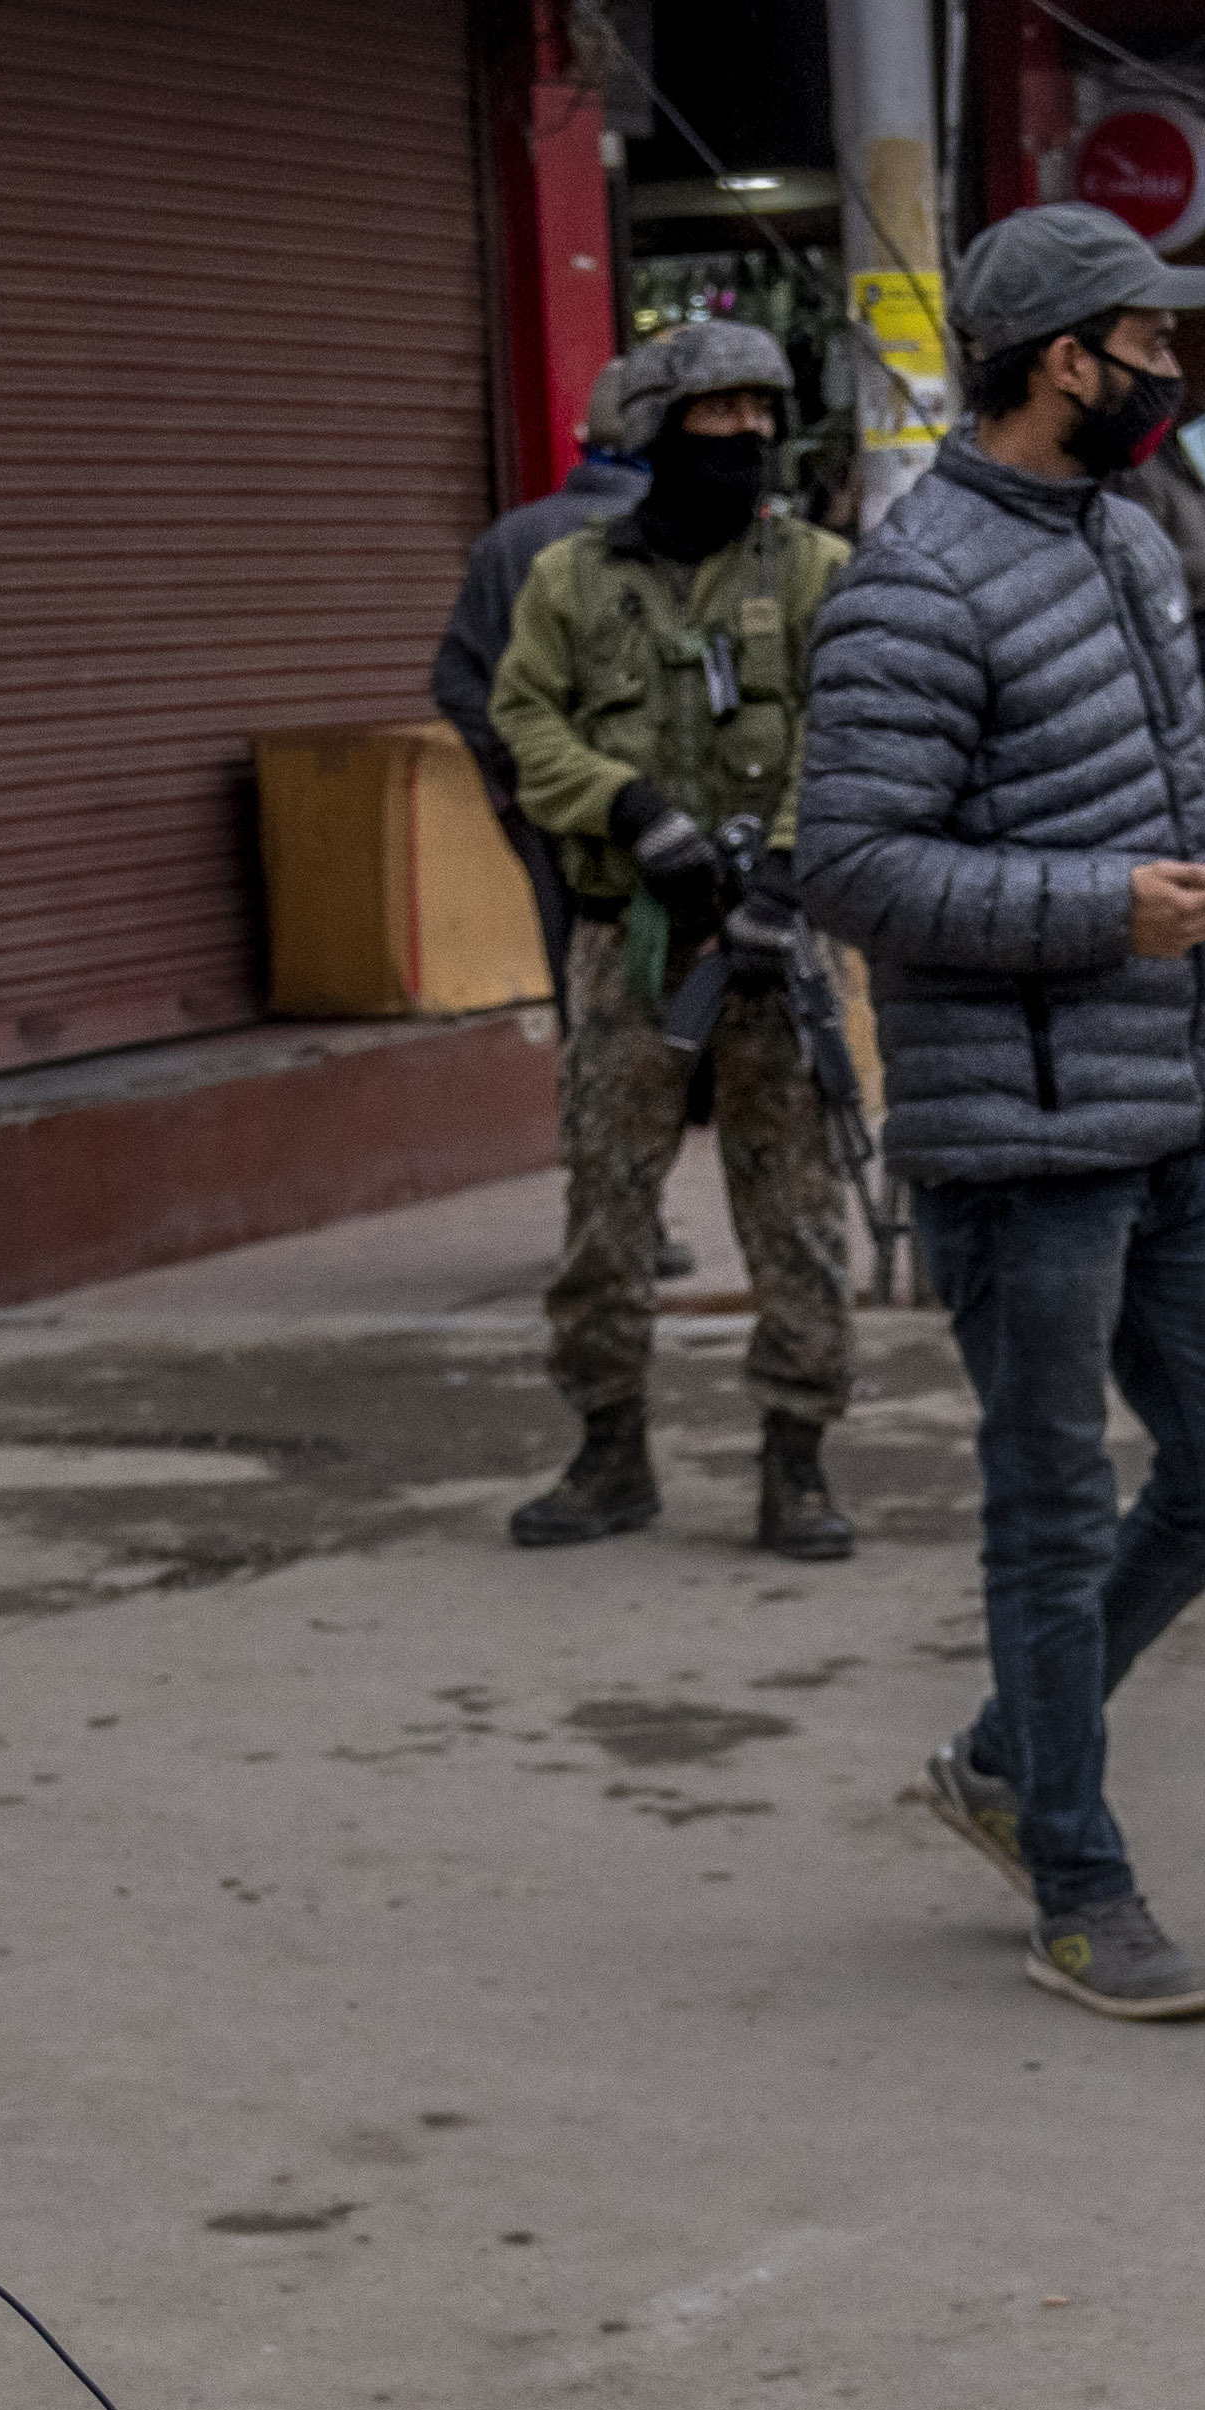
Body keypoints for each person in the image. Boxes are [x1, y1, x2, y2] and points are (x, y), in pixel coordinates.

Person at [792, 201, 1205, 2026]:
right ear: (1059, 361)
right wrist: (1103, 911)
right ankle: (1075, 1879)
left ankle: (1010, 1754)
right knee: (1047, 1502)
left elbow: (1147, 781)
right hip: (1017, 1143)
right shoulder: (911, 580)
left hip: (1171, 1100)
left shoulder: (1124, 537)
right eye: (1145, 342)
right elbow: (848, 865)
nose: (1173, 370)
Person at [488, 318, 860, 1561]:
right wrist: (628, 806)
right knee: (606, 1200)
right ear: (654, 429)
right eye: (720, 416)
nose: (749, 437)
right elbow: (520, 723)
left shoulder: (812, 571)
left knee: (795, 1209)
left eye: (764, 414)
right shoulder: (570, 581)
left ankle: (796, 1461)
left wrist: (791, 875)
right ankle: (607, 1450)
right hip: (632, 943)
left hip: (773, 946)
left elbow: (853, 732)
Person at [440, 363, 653, 968]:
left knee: (582, 979)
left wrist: (518, 773)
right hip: (676, 805)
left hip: (549, 808)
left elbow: (455, 680)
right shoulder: (696, 536)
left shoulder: (511, 537)